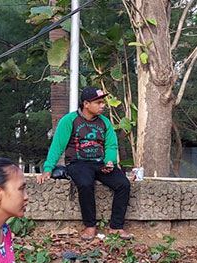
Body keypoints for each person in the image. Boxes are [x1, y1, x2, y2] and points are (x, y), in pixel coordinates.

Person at [36, 86, 131, 240]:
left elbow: (111, 145)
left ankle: (116, 227)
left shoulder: (105, 122)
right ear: (86, 104)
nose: (103, 106)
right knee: (85, 184)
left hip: (100, 162)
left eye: (103, 102)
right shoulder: (69, 120)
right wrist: (48, 168)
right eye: (98, 102)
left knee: (123, 184)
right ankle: (90, 226)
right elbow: (57, 146)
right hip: (78, 162)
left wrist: (110, 162)